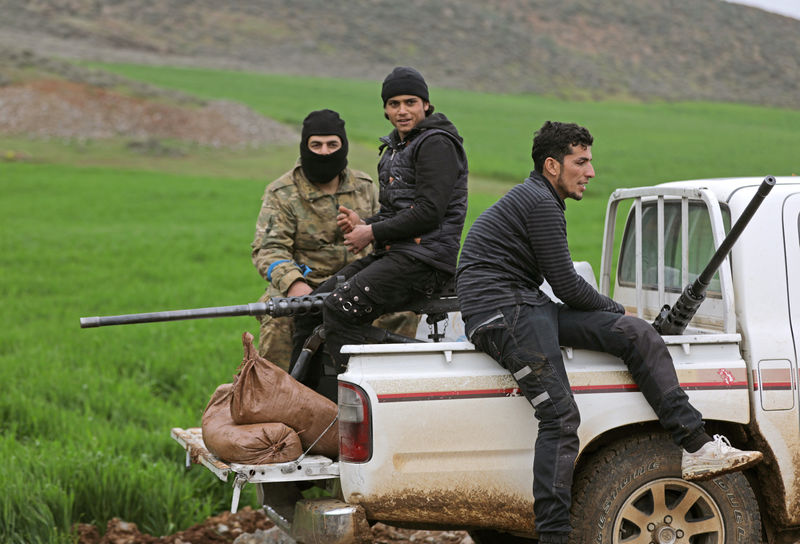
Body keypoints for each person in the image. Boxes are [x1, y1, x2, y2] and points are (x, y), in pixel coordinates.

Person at [455, 121, 763, 544]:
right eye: (580, 162)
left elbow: (560, 291)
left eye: (590, 161)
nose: (591, 172)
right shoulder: (539, 202)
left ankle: (697, 445)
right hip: (501, 312)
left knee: (634, 334)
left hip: (525, 305)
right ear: (551, 165)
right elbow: (565, 284)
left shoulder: (541, 199)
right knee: (561, 418)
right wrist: (616, 305)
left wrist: (621, 317)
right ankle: (554, 536)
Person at [291, 66, 468, 392]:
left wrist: (370, 234)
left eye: (410, 102)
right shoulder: (393, 150)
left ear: (426, 105)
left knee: (338, 311)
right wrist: (365, 223)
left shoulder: (436, 144)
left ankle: (355, 406)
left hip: (425, 262)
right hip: (396, 255)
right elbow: (393, 213)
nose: (402, 111)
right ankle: (302, 404)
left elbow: (429, 212)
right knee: (308, 309)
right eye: (394, 104)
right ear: (385, 108)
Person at [251, 109, 416, 371]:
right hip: (307, 286)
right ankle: (277, 398)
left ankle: (386, 388)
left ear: (343, 145)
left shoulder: (364, 186)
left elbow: (386, 232)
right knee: (278, 320)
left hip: (361, 285)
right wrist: (295, 285)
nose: (325, 152)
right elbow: (269, 249)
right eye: (316, 145)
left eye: (332, 144)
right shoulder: (281, 193)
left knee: (402, 312)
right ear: (305, 146)